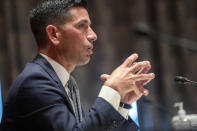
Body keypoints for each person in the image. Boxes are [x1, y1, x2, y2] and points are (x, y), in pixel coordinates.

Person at [0, 0, 155, 130]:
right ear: (54, 34)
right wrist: (111, 90)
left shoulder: (62, 82)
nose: (93, 35)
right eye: (82, 26)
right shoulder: (35, 82)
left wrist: (122, 103)